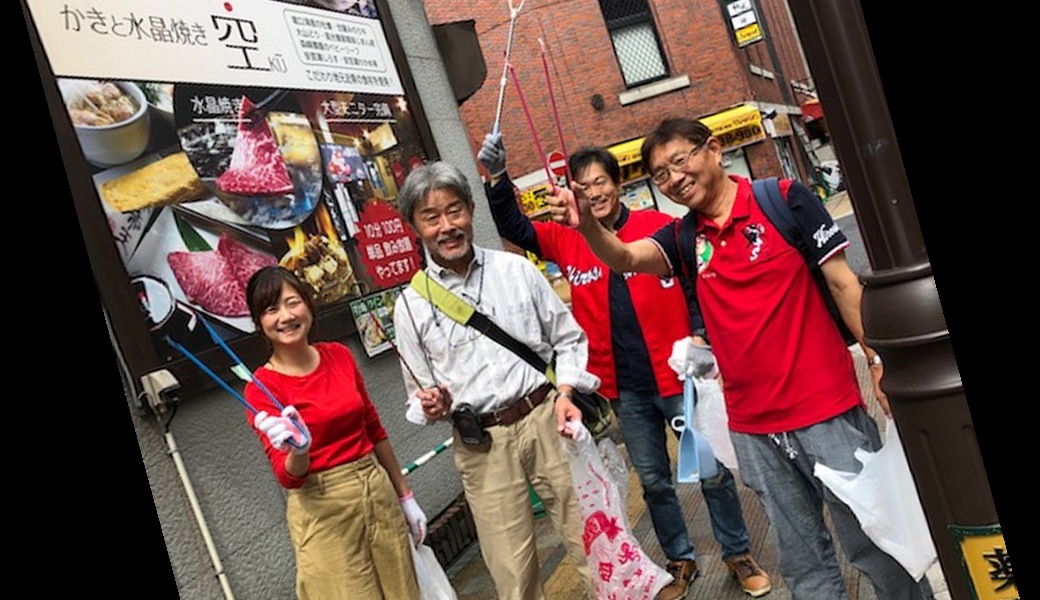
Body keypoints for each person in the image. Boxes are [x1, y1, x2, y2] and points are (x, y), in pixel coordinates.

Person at [543, 117, 935, 600]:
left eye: (680, 160)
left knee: (877, 544)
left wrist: (878, 364)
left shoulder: (783, 200)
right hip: (753, 428)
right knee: (803, 565)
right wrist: (586, 225)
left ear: (713, 149)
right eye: (661, 174)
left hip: (827, 410)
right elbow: (624, 257)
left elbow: (843, 284)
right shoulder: (683, 237)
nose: (674, 178)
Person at [477, 133, 772, 599]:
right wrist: (497, 177)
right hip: (624, 389)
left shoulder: (660, 228)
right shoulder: (567, 239)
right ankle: (679, 558)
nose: (594, 192)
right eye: (583, 186)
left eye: (601, 182)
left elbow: (697, 284)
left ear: (618, 184)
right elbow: (513, 224)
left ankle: (738, 553)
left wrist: (701, 334)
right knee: (653, 481)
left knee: (712, 470)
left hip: (678, 378)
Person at [390, 160, 599, 600]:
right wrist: (431, 406)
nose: (447, 226)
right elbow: (418, 396)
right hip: (480, 444)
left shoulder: (516, 270)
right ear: (414, 226)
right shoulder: (409, 306)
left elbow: (568, 339)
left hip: (546, 417)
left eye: (454, 211)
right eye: (431, 217)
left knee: (593, 541)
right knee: (512, 571)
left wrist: (565, 392)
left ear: (470, 209)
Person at [243, 265, 428, 600]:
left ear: (308, 305)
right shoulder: (261, 388)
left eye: (293, 302)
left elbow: (373, 426)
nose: (286, 316)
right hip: (322, 508)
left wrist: (405, 495)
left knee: (403, 591)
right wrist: (298, 450)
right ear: (260, 323)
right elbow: (288, 477)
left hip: (376, 488)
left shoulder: (339, 355)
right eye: (271, 309)